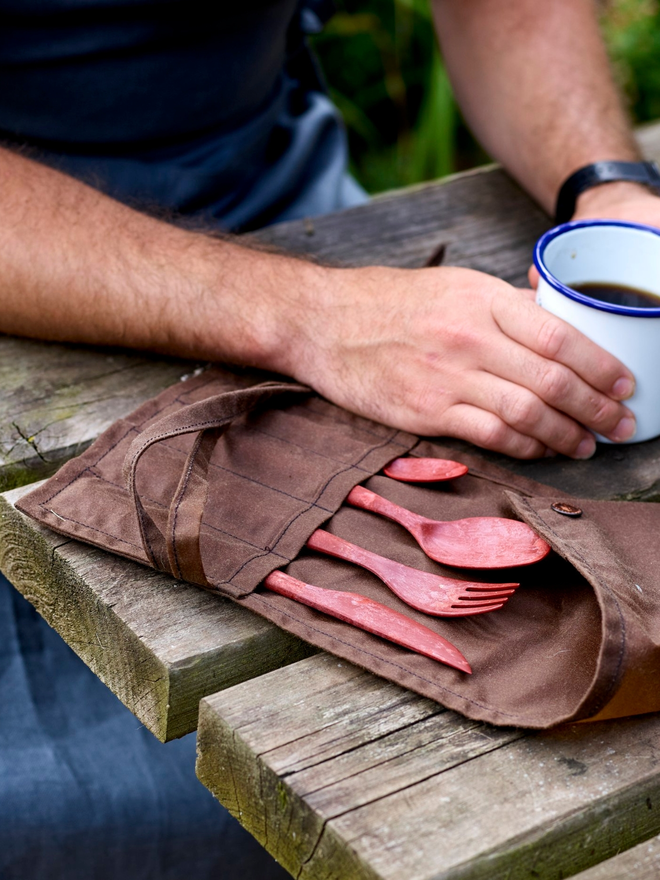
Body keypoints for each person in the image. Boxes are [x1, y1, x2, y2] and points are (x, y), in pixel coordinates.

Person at [0, 1, 658, 877]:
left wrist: (608, 188)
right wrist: (310, 316)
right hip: (42, 332)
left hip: (309, 224)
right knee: (108, 807)